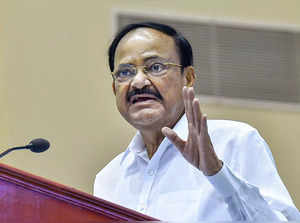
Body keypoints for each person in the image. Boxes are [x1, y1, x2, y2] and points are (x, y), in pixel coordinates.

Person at [94, 22, 300, 221]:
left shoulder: (235, 142)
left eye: (155, 67)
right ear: (114, 88)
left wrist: (218, 173)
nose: (138, 82)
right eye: (125, 73)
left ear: (189, 78)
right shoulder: (109, 178)